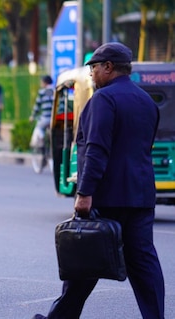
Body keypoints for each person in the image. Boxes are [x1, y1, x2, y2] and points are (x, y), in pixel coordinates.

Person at [33, 42, 164, 319]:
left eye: (93, 67)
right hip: (140, 196)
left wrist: (84, 193)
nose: (91, 73)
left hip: (107, 196)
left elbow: (96, 149)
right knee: (143, 263)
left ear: (108, 67)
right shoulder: (147, 102)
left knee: (83, 262)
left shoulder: (104, 100)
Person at [29, 75, 54, 148]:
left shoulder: (42, 92)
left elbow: (37, 106)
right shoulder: (55, 91)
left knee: (38, 128)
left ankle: (41, 140)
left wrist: (32, 116)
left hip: (45, 118)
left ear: (45, 83)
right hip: (54, 119)